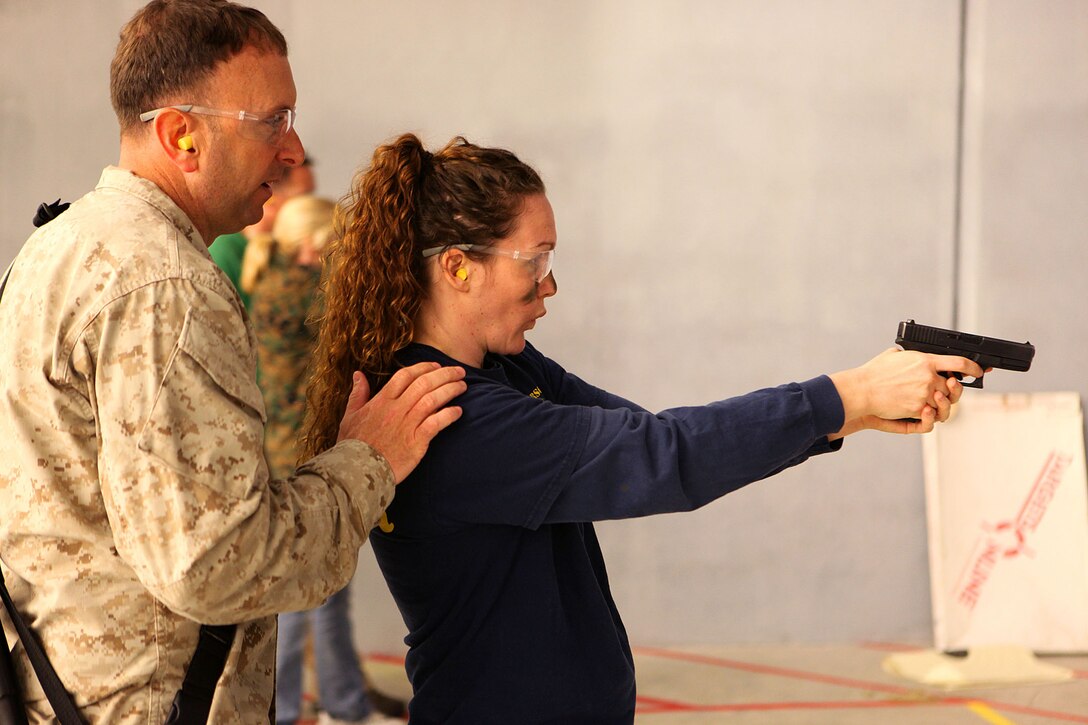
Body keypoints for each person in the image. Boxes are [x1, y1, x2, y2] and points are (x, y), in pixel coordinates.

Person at [298, 133, 985, 724]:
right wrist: (847, 392)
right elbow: (664, 456)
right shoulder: (453, 414)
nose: (550, 287)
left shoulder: (504, 370)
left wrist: (854, 412)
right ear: (457, 267)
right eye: (533, 263)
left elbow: (649, 434)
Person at [0, 4, 465, 723]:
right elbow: (216, 564)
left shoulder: (59, 247)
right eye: (272, 121)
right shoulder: (166, 286)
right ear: (181, 134)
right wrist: (370, 458)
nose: (293, 148)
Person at [246, 195, 402, 725]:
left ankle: (341, 703)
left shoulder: (273, 279)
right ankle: (291, 709)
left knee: (326, 593)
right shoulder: (294, 289)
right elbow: (354, 305)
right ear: (312, 244)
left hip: (290, 454)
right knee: (304, 595)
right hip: (299, 458)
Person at [211, 157, 317, 310]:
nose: (311, 205)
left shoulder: (285, 252)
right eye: (303, 196)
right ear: (270, 198)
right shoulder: (223, 253)